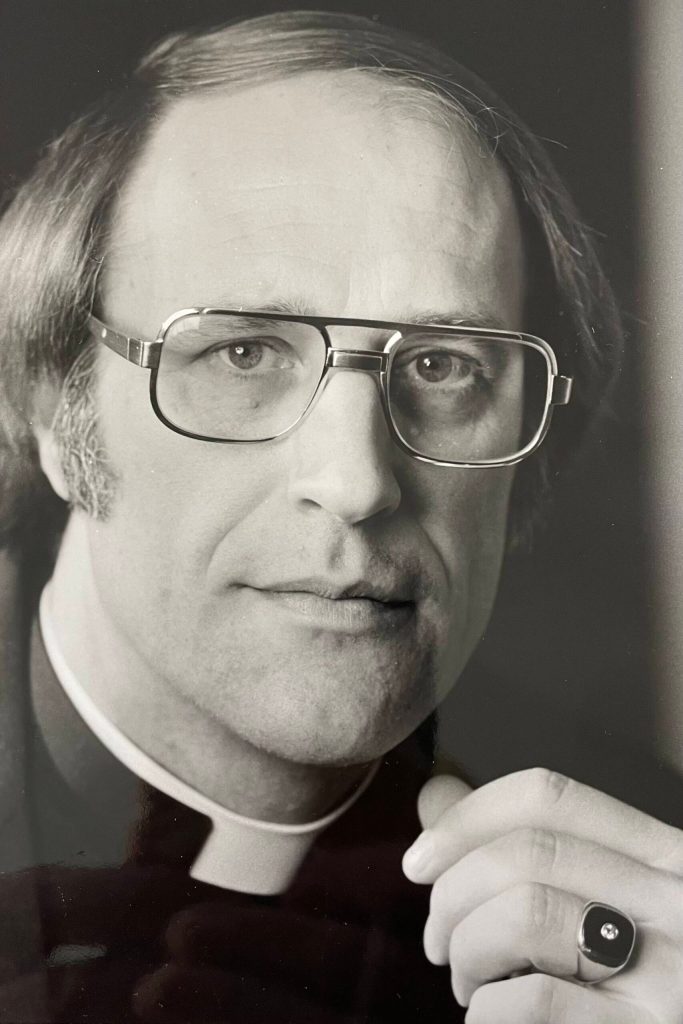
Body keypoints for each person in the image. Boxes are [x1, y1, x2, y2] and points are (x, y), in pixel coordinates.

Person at [1, 9, 682, 1023]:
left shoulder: (652, 869)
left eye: (442, 366)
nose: (357, 482)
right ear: (56, 408)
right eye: (242, 353)